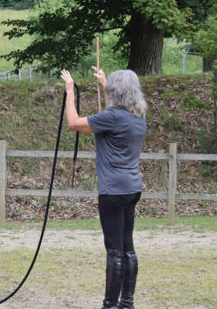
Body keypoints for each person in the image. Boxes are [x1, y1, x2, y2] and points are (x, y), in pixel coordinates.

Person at [61, 66, 147, 309]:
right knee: (127, 248)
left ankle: (109, 305)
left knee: (114, 251)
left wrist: (70, 92)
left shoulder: (112, 118)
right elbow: (116, 101)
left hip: (113, 191)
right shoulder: (138, 116)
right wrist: (104, 83)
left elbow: (74, 123)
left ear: (114, 92)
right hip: (132, 188)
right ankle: (126, 303)